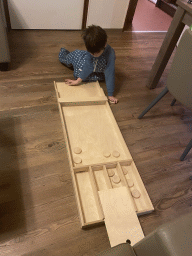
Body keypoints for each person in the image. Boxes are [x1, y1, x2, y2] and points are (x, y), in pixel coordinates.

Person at [58, 25, 118, 104]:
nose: (94, 55)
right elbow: (88, 66)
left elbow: (110, 73)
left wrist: (110, 95)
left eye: (97, 52)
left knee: (99, 77)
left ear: (105, 45)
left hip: (99, 69)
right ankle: (64, 52)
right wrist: (77, 81)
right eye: (91, 53)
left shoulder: (110, 54)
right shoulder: (90, 52)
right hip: (82, 59)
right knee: (73, 60)